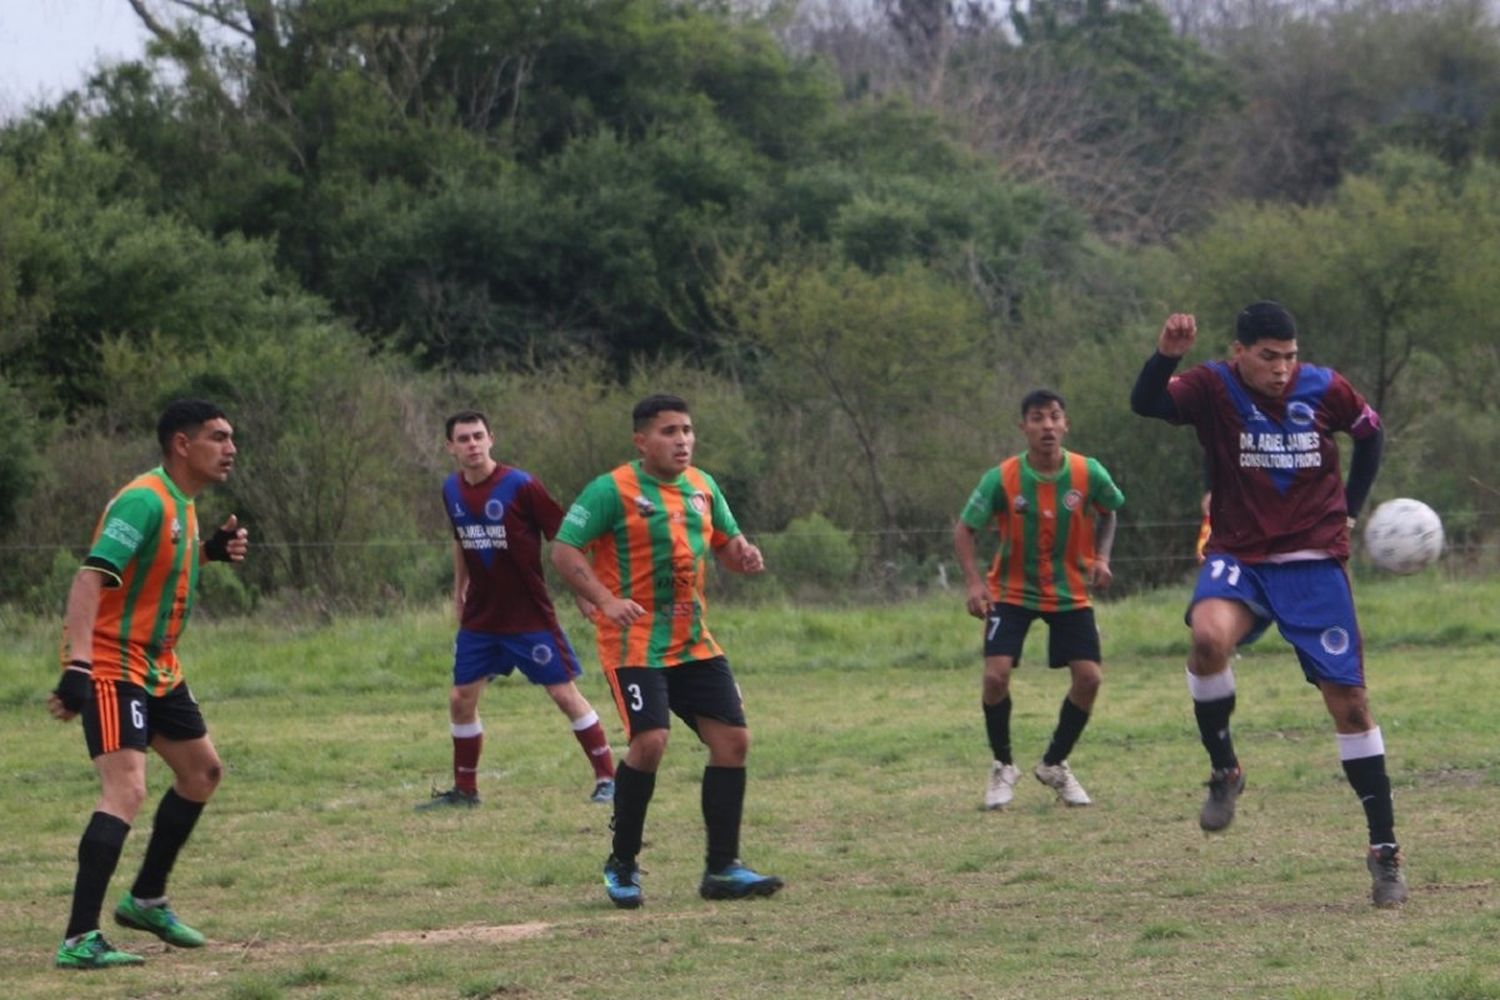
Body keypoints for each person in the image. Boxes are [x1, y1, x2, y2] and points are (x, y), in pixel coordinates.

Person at [1130, 302, 1406, 908]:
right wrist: (1166, 355)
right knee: (1207, 639)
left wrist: (1350, 511)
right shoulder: (1211, 386)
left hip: (1313, 563)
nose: (1281, 369)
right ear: (1240, 353)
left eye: (1289, 356)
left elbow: (1370, 433)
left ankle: (1383, 851)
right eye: (1268, 357)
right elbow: (1147, 403)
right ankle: (1225, 769)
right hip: (1242, 557)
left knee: (1352, 707)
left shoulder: (1326, 387)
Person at [550, 394, 783, 909]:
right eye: (669, 431)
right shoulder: (611, 489)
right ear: (641, 440)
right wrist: (606, 600)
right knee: (651, 742)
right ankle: (623, 863)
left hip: (694, 640)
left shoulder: (703, 486)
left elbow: (726, 543)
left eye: (688, 430)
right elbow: (565, 550)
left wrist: (741, 555)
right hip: (634, 643)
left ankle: (722, 869)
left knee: (734, 742)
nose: (682, 440)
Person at [48, 399, 250, 969]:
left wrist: (207, 552)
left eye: (231, 437)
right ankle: (79, 939)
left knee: (202, 773)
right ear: (182, 445)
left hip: (159, 666)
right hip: (114, 664)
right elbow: (90, 579)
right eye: (218, 437)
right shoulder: (143, 500)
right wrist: (79, 665)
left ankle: (146, 899)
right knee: (126, 789)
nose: (230, 447)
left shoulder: (180, 503)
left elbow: (159, 563)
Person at [418, 411, 616, 810]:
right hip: (481, 618)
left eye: (478, 436)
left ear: (491, 438)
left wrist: (584, 592)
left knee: (563, 694)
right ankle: (465, 792)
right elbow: (461, 539)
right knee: (460, 698)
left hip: (529, 616)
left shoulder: (521, 485)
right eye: (464, 439)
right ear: (450, 447)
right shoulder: (451, 490)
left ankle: (609, 780)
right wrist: (459, 590)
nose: (472, 444)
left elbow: (566, 538)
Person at [954, 389, 1124, 810]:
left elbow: (1110, 511)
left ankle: (1054, 764)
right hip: (1012, 590)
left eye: (1054, 417)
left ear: (1065, 424)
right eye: (1037, 418)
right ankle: (1002, 765)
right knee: (995, 677)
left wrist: (1101, 557)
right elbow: (964, 530)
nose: (1047, 425)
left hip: (1069, 590)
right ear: (1023, 427)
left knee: (1090, 679)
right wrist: (975, 583)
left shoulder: (1088, 472)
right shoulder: (1003, 478)